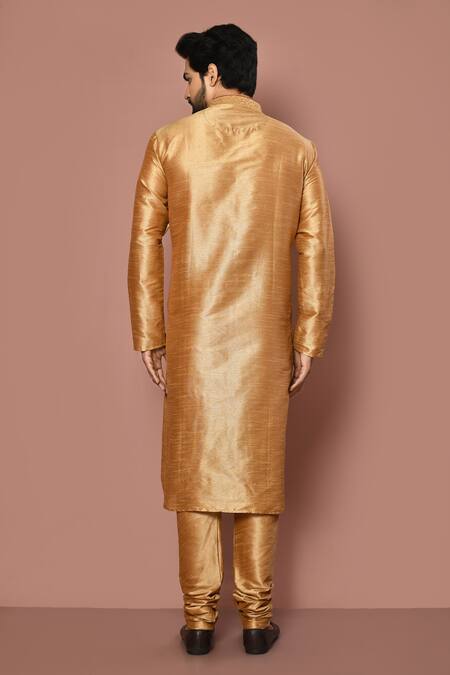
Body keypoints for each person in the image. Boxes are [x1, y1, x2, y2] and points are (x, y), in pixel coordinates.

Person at [127, 23, 335, 656]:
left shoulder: (168, 142)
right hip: (264, 340)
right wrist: (308, 337)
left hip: (193, 339)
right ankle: (255, 621)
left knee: (194, 471)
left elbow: (145, 241)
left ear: (213, 75)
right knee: (257, 471)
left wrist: (150, 333)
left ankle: (197, 623)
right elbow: (316, 247)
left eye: (188, 76)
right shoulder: (296, 149)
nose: (185, 88)